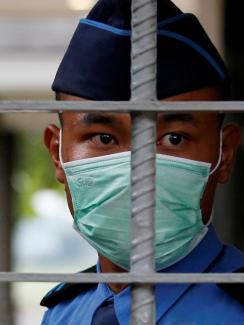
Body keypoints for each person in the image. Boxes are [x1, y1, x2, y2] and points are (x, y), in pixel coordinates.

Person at [41, 0, 244, 323]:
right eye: (103, 138)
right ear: (57, 154)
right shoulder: (62, 314)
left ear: (226, 153)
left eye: (173, 138)